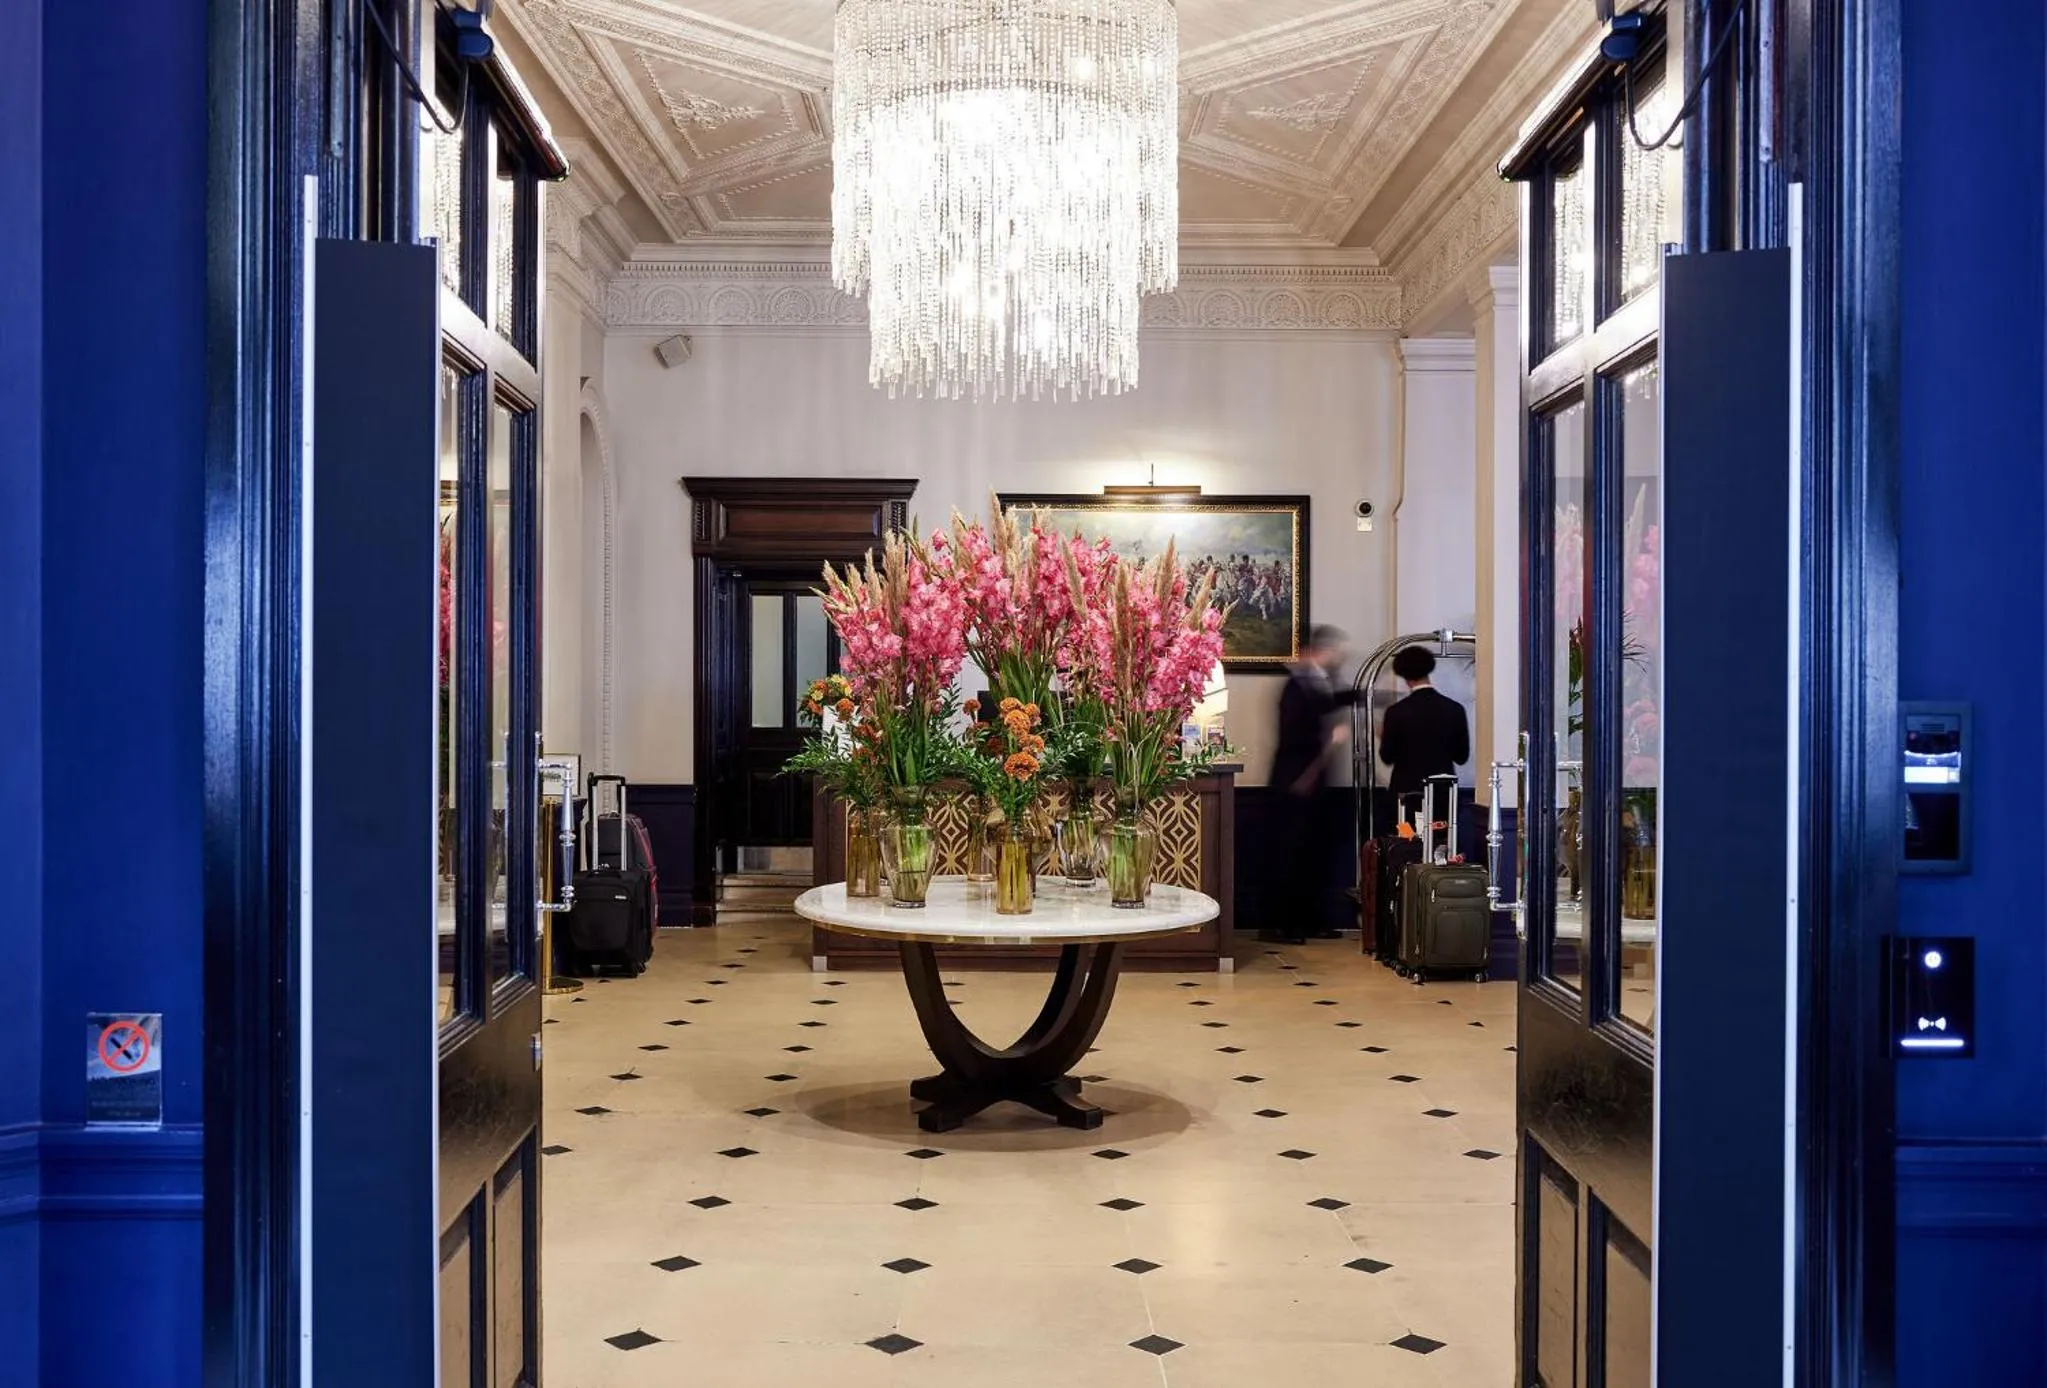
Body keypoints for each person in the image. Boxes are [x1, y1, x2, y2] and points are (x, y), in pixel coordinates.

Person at [1264, 625, 1363, 944]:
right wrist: (1330, 739)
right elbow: (1294, 733)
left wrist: (1371, 696)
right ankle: (1281, 925)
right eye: (1333, 651)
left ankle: (1309, 921)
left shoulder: (1316, 683)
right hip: (1294, 784)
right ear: (1317, 651)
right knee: (1289, 856)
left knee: (1312, 855)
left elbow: (1330, 701)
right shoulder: (1295, 686)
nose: (1338, 657)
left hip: (1314, 786)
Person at [1378, 645, 1471, 827]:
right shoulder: (1454, 709)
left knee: (1406, 842)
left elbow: (1387, 756)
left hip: (1406, 797)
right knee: (1442, 841)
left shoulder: (1396, 712)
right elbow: (1461, 756)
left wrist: (1384, 735)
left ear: (1403, 675)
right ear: (1429, 669)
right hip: (1443, 796)